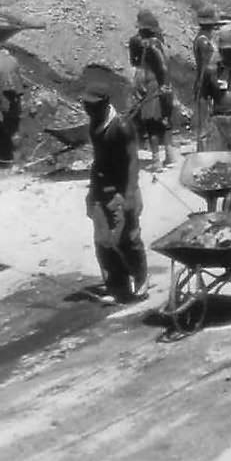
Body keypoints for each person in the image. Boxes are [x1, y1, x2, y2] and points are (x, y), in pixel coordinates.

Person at [81, 71, 148, 304]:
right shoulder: (94, 125)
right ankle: (117, 285)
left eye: (92, 105)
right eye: (85, 105)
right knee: (103, 241)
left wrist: (128, 195)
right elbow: (98, 160)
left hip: (122, 190)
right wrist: (91, 193)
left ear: (105, 103)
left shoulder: (121, 127)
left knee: (127, 239)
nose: (87, 109)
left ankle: (140, 279)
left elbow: (133, 162)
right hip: (102, 189)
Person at [129, 9, 175, 168]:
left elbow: (135, 64)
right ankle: (170, 155)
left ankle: (156, 161)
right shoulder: (160, 39)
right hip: (165, 83)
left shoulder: (136, 41)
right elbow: (164, 65)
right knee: (165, 119)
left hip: (151, 84)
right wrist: (166, 84)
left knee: (150, 122)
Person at [200, 24, 231, 153]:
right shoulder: (211, 71)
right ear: (219, 50)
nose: (229, 54)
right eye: (225, 51)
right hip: (217, 122)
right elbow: (203, 97)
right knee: (215, 162)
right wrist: (204, 125)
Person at [193, 7, 221, 151]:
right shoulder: (204, 42)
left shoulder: (206, 39)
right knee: (204, 119)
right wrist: (204, 86)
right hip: (206, 82)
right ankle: (202, 151)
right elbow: (205, 65)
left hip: (209, 81)